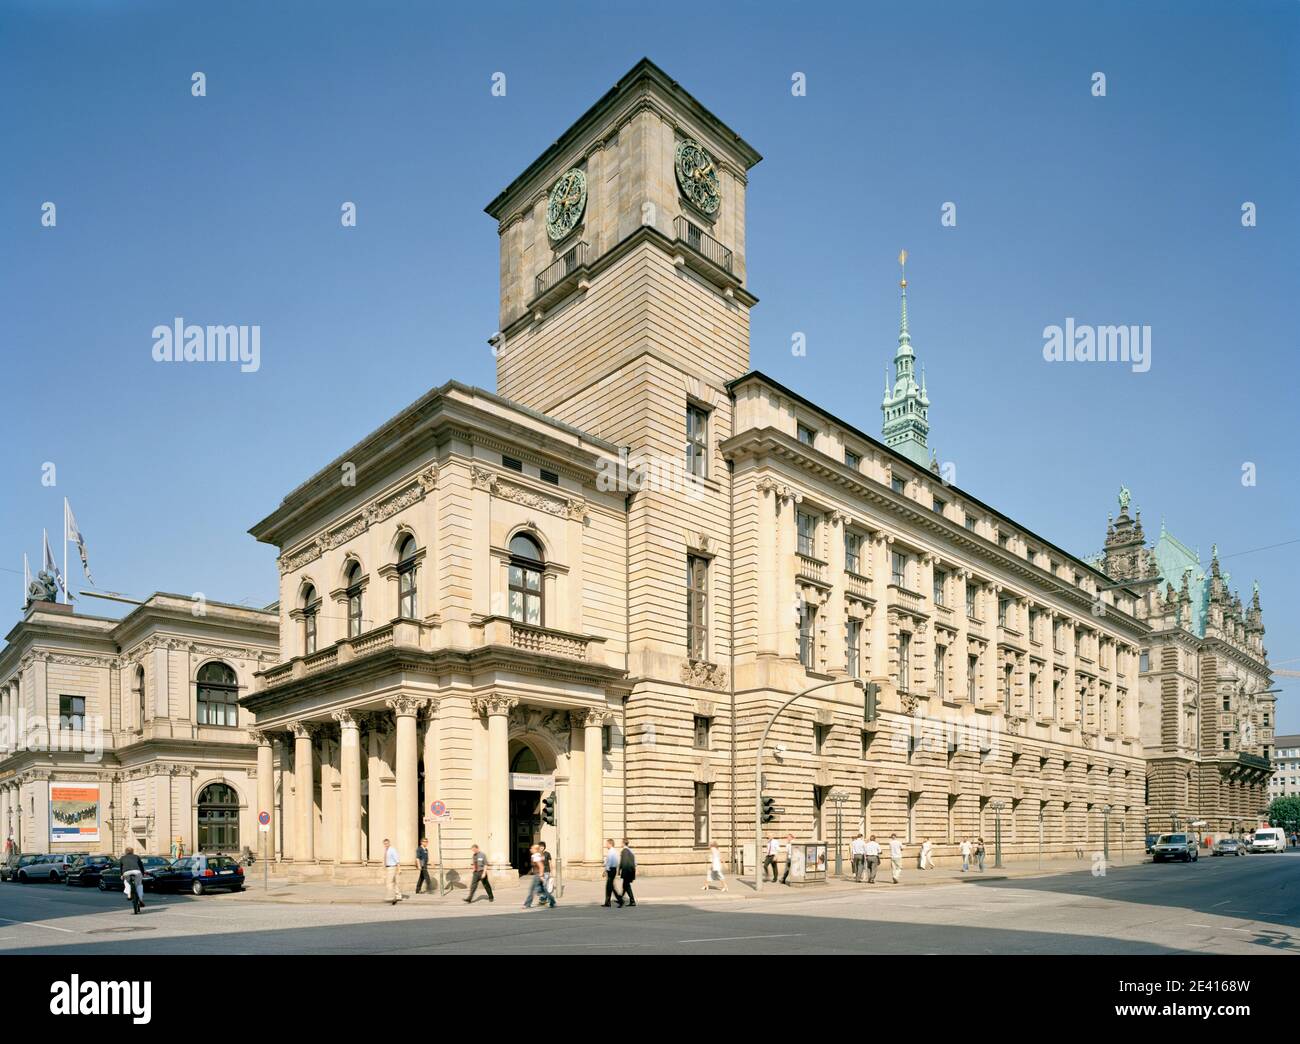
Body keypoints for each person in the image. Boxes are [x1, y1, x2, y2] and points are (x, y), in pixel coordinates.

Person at [522, 843, 553, 909]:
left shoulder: (536, 856)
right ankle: (552, 901)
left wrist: (541, 876)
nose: (530, 849)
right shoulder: (537, 855)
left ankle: (527, 904)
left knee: (532, 890)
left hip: (538, 875)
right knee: (543, 890)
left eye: (532, 848)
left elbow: (541, 866)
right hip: (538, 874)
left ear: (535, 850)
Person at [617, 839, 637, 907]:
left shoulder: (624, 851)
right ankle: (621, 899)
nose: (620, 844)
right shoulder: (631, 851)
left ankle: (628, 900)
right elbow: (635, 863)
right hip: (631, 871)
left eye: (621, 843)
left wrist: (619, 870)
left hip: (627, 871)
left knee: (626, 886)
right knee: (626, 886)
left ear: (623, 843)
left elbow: (624, 862)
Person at [602, 839, 621, 907]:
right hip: (613, 869)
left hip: (611, 870)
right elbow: (617, 861)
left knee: (610, 887)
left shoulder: (611, 852)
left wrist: (606, 870)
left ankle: (620, 900)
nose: (606, 845)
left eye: (607, 844)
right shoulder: (615, 851)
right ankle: (608, 902)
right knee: (609, 886)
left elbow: (609, 862)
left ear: (610, 844)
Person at [538, 841, 557, 907]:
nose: (541, 847)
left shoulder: (547, 854)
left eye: (542, 846)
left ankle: (544, 899)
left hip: (546, 871)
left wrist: (552, 872)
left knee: (545, 884)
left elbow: (550, 863)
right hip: (540, 872)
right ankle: (545, 898)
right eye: (540, 846)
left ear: (544, 847)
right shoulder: (537, 854)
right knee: (541, 886)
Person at [384, 838, 402, 905]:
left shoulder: (392, 850)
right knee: (395, 881)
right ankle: (398, 895)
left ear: (389, 843)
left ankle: (391, 896)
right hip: (390, 867)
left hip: (392, 867)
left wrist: (399, 868)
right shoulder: (387, 850)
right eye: (385, 844)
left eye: (387, 843)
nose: (386, 845)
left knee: (389, 882)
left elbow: (396, 859)